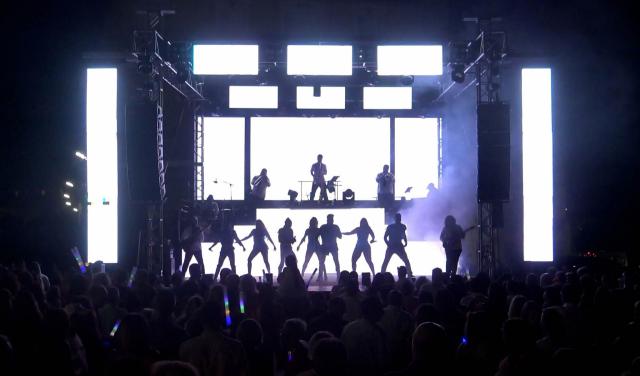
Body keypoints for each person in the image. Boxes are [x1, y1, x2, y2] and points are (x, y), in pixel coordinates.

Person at [319, 214, 342, 281]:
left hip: (330, 245)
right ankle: (321, 276)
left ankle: (338, 275)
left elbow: (340, 236)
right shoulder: (326, 227)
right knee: (323, 261)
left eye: (331, 219)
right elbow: (318, 235)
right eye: (330, 219)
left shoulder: (327, 227)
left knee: (334, 261)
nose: (331, 220)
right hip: (328, 246)